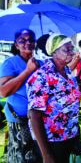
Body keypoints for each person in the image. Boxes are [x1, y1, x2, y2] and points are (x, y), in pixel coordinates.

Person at [26, 34, 81, 163]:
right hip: (51, 141)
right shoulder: (42, 77)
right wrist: (46, 155)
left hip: (67, 136)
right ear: (54, 52)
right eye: (66, 49)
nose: (71, 53)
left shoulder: (67, 72)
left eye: (72, 49)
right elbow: (34, 116)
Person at [0, 29, 43, 162]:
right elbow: (3, 92)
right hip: (20, 122)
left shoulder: (41, 63)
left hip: (40, 120)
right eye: (22, 40)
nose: (28, 42)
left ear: (35, 43)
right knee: (20, 158)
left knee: (38, 156)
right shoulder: (10, 63)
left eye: (31, 39)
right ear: (16, 45)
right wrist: (28, 70)